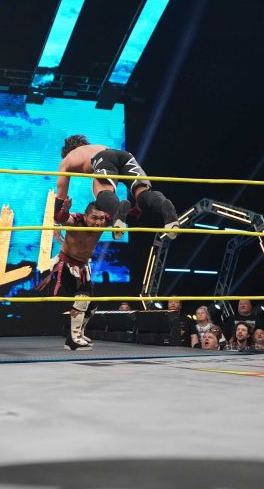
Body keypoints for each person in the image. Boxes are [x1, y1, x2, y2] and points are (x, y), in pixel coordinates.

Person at [56, 135, 179, 239]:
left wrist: (55, 219)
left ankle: (117, 216)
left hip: (103, 158)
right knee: (143, 194)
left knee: (102, 192)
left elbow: (60, 197)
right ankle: (164, 206)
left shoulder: (67, 159)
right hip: (125, 156)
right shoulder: (96, 146)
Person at [38, 198, 108, 350]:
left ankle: (78, 334)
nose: (98, 223)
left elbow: (120, 216)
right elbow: (63, 218)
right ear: (85, 216)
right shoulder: (76, 221)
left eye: (101, 218)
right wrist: (64, 211)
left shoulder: (105, 222)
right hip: (67, 265)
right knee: (82, 298)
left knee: (92, 306)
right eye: (94, 218)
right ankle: (72, 340)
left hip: (83, 267)